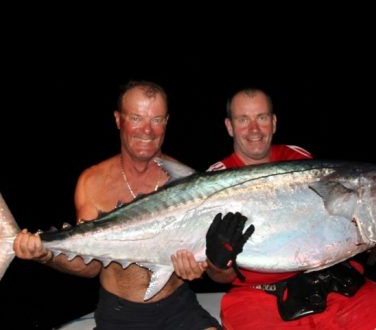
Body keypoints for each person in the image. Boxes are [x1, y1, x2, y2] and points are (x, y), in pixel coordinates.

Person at [172, 88, 376, 329]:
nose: (254, 129)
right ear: (229, 126)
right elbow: (219, 276)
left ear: (274, 122)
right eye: (243, 119)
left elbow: (325, 232)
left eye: (262, 117)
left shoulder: (298, 158)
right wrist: (219, 262)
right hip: (255, 299)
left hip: (329, 288)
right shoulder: (213, 178)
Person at [13, 81, 221, 330]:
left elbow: (207, 256)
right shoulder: (93, 181)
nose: (147, 130)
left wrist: (198, 267)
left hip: (178, 307)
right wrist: (45, 254)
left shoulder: (188, 181)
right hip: (120, 314)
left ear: (166, 122)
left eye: (157, 120)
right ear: (118, 119)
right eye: (136, 117)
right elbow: (89, 267)